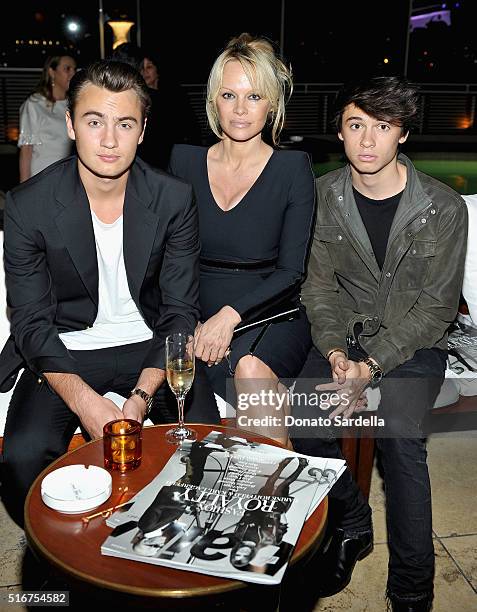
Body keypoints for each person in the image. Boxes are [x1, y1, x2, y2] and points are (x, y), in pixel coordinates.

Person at [0, 59, 219, 528]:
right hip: (67, 348)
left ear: (142, 130)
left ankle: (173, 545)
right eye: (94, 121)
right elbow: (32, 324)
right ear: (70, 124)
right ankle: (67, 554)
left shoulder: (172, 198)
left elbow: (180, 311)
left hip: (151, 348)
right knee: (21, 458)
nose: (108, 139)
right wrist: (87, 402)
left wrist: (138, 399)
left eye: (125, 124)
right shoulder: (28, 205)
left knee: (205, 446)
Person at [292, 76, 468, 611]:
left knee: (399, 439)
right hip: (341, 341)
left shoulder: (444, 207)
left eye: (382, 127)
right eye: (355, 125)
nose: (368, 140)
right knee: (301, 417)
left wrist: (372, 365)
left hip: (413, 347)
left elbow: (437, 309)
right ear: (340, 134)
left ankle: (412, 591)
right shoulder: (320, 198)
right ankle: (351, 517)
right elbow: (317, 287)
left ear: (402, 135)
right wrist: (337, 353)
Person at [169, 33, 316, 446]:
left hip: (268, 311)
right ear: (214, 100)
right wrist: (188, 317)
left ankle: (267, 499)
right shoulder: (184, 161)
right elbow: (169, 256)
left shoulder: (292, 169)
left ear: (271, 104)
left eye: (254, 97)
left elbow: (291, 272)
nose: (239, 109)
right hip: (196, 310)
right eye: (229, 95)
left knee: (250, 367)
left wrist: (228, 318)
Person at [111, 43, 202, 170]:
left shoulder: (174, 93)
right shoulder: (138, 98)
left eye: (149, 67)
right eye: (142, 68)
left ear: (157, 69)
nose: (145, 71)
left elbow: (190, 127)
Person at [18, 54, 77, 182]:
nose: (73, 73)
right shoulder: (34, 104)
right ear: (52, 72)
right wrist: (24, 190)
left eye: (74, 69)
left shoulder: (73, 105)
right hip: (40, 179)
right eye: (67, 69)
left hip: (65, 178)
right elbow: (26, 150)